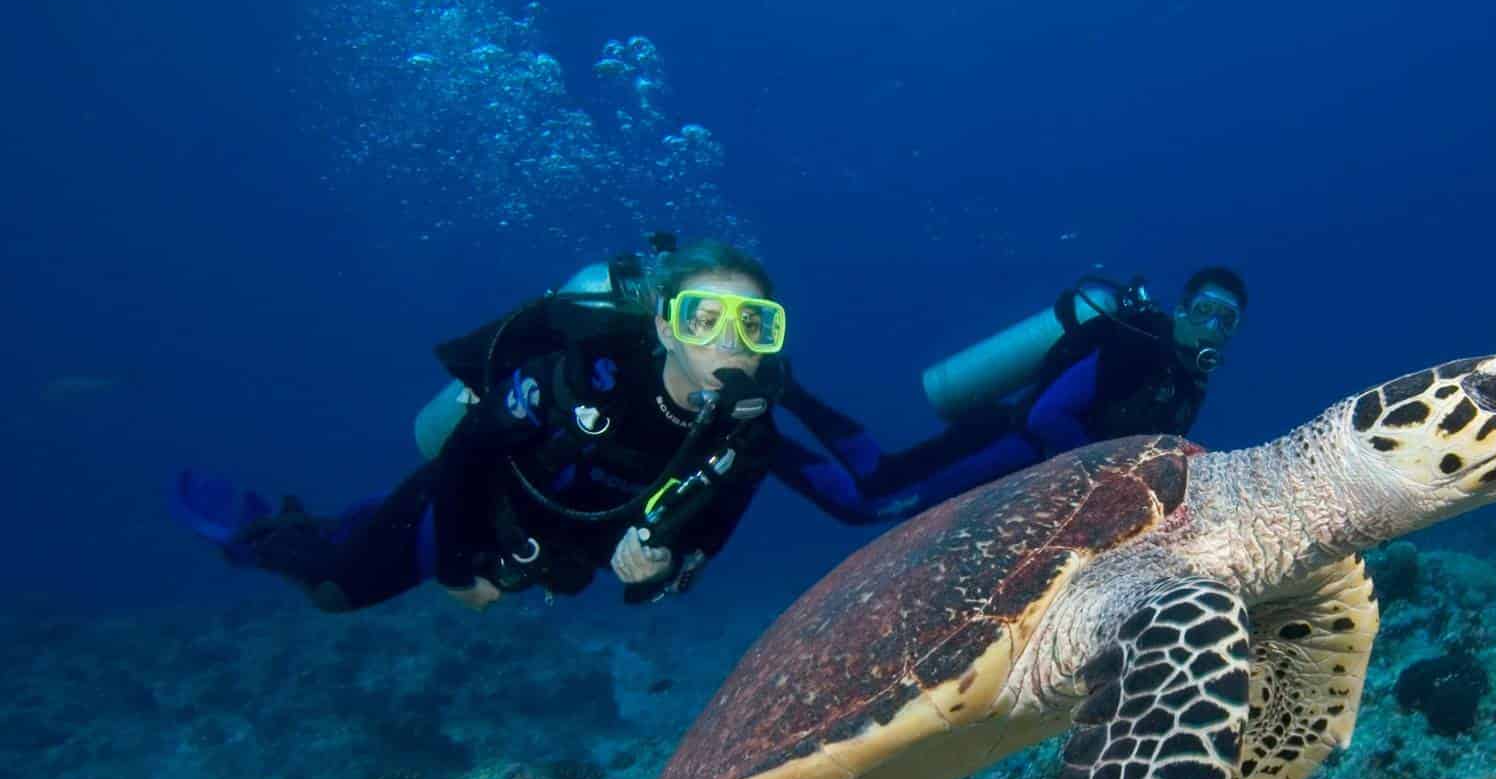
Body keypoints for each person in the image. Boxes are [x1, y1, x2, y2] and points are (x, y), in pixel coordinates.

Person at [174, 237, 795, 611]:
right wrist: (455, 569)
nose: (728, 343)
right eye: (702, 318)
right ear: (664, 326)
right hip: (471, 511)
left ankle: (336, 525)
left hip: (550, 553)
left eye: (753, 325)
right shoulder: (586, 376)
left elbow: (703, 545)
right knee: (337, 589)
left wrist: (656, 570)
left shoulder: (748, 436)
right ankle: (254, 533)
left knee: (357, 540)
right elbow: (467, 455)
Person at [773, 267, 1247, 523]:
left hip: (1033, 472)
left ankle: (784, 400)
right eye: (1204, 310)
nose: (1212, 327)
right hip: (1004, 446)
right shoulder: (1135, 343)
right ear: (1181, 308)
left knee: (880, 484)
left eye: (1226, 321)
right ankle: (770, 432)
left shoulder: (1189, 382)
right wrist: (1110, 477)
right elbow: (1047, 416)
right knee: (873, 498)